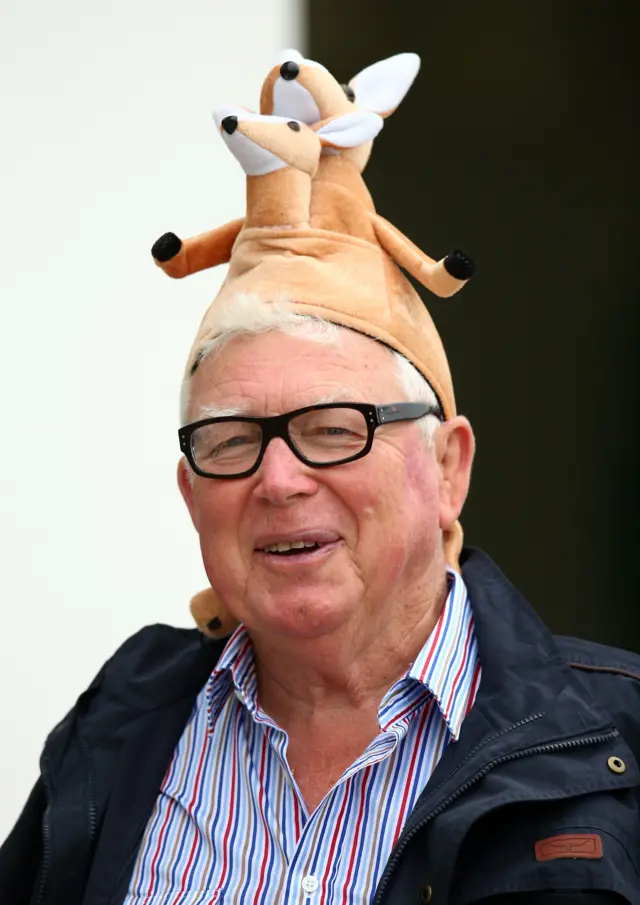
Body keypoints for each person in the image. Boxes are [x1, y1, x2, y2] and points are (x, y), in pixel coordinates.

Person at [2, 56, 640, 905]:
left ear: (448, 467)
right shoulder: (121, 722)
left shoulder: (616, 747)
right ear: (191, 496)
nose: (278, 478)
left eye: (333, 429)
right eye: (229, 441)